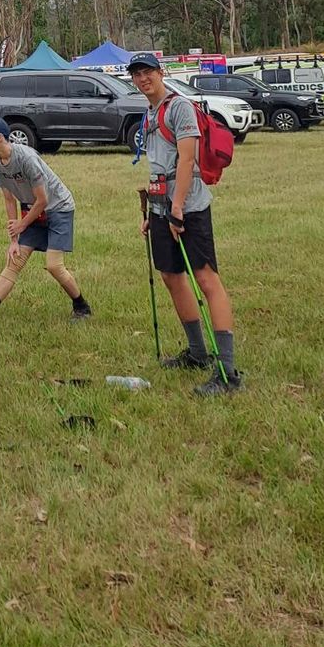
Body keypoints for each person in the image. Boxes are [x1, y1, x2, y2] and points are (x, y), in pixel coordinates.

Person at [127, 52, 240, 397]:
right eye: (137, 74)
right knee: (171, 276)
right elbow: (159, 164)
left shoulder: (180, 107)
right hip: (161, 206)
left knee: (206, 279)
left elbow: (187, 159)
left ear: (160, 72)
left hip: (188, 206)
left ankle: (228, 372)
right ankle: (197, 353)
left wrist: (177, 208)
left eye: (148, 72)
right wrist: (154, 211)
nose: (143, 78)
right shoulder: (150, 112)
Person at [0, 119, 91, 324]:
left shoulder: (26, 158)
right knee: (15, 260)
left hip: (58, 208)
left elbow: (43, 200)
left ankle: (82, 306)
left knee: (54, 266)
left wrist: (23, 224)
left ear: (0, 137)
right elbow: (9, 200)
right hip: (33, 209)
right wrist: (14, 240)